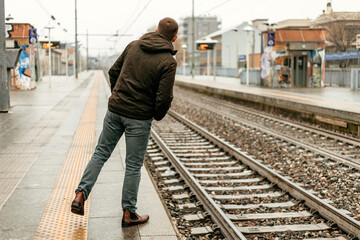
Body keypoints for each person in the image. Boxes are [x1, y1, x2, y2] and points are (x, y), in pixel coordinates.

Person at [71, 17, 178, 228]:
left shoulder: (133, 46)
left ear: (156, 30)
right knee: (133, 166)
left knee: (100, 153)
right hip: (139, 118)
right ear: (174, 38)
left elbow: (113, 71)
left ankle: (80, 195)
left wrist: (118, 96)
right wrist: (154, 114)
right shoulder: (168, 61)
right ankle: (129, 213)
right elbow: (164, 98)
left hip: (115, 111)